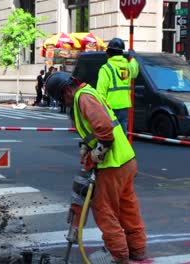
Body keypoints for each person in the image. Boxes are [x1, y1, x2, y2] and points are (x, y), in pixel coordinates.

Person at [45, 71, 147, 264]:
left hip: (112, 165)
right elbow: (95, 129)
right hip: (126, 160)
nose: (62, 104)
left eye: (60, 99)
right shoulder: (88, 92)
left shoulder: (83, 98)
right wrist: (86, 145)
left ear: (66, 91)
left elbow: (105, 130)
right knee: (127, 208)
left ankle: (117, 255)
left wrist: (98, 152)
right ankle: (137, 248)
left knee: (104, 209)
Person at [96, 38, 139, 134]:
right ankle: (122, 149)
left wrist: (99, 109)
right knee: (122, 134)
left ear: (109, 53)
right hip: (124, 105)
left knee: (110, 134)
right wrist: (133, 57)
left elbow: (100, 92)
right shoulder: (127, 66)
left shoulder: (106, 68)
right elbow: (135, 71)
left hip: (110, 107)